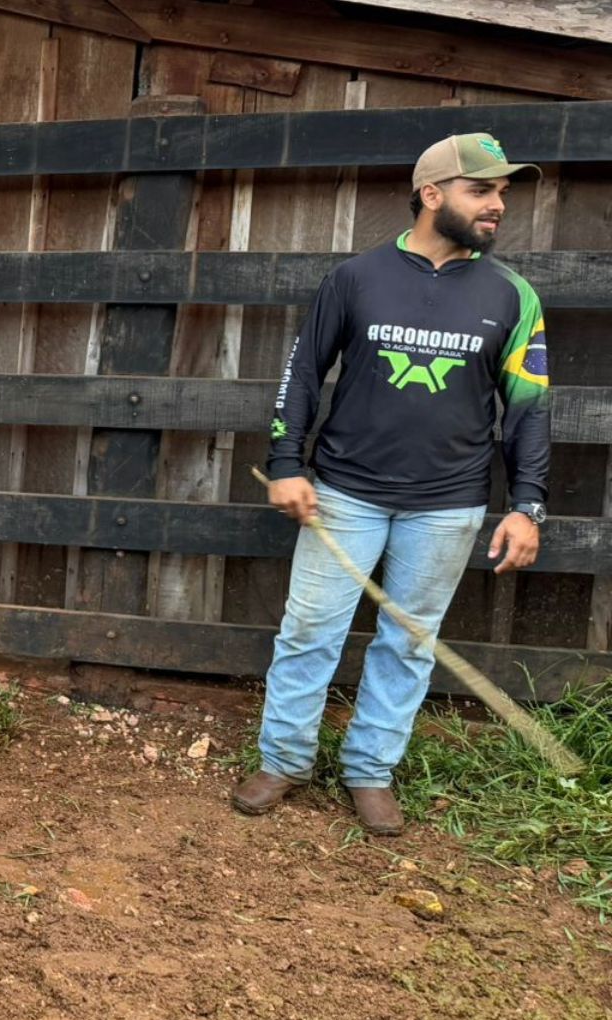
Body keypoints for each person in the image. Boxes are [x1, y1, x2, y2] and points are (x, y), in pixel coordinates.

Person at [232, 132, 550, 836]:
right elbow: (304, 374)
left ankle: (370, 770)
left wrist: (527, 505)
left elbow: (528, 407)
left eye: (502, 193)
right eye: (482, 189)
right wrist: (286, 463)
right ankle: (283, 760)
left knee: (408, 641)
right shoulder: (356, 279)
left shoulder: (513, 295)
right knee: (310, 630)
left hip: (449, 505)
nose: (498, 205)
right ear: (432, 194)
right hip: (344, 492)